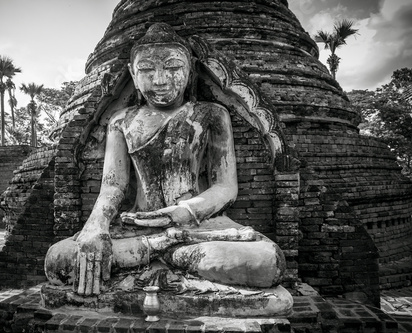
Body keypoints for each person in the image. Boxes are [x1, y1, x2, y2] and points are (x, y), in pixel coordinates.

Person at [45, 23, 286, 296]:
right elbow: (113, 186)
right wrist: (96, 228)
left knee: (268, 261)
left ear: (190, 70)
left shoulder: (211, 114)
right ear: (133, 76)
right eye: (147, 70)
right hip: (138, 227)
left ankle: (155, 257)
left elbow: (226, 186)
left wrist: (183, 213)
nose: (160, 80)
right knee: (59, 260)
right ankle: (166, 252)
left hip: (198, 227)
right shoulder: (122, 121)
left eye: (173, 68)